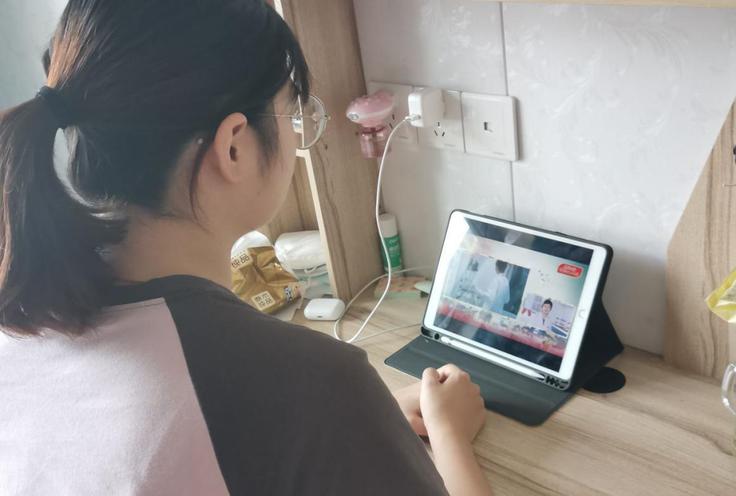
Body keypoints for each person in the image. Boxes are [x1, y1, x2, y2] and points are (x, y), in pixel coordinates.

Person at [0, 1, 492, 495]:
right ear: (234, 146)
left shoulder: (22, 321)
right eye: (293, 115)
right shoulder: (311, 385)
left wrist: (360, 428)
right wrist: (448, 432)